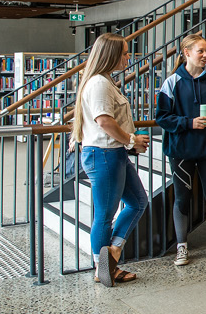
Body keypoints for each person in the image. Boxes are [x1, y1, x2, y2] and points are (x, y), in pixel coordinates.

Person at [72, 33, 150, 287]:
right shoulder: (99, 84)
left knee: (138, 201)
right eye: (126, 53)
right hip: (104, 154)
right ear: (111, 55)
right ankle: (102, 267)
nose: (129, 57)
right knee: (105, 215)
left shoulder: (105, 82)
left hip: (112, 153)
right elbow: (104, 121)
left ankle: (112, 255)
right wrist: (131, 140)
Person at [156, 34, 206, 266]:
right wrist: (189, 123)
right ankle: (182, 247)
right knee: (182, 199)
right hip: (181, 152)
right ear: (186, 53)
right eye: (200, 51)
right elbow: (162, 118)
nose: (205, 55)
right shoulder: (171, 83)